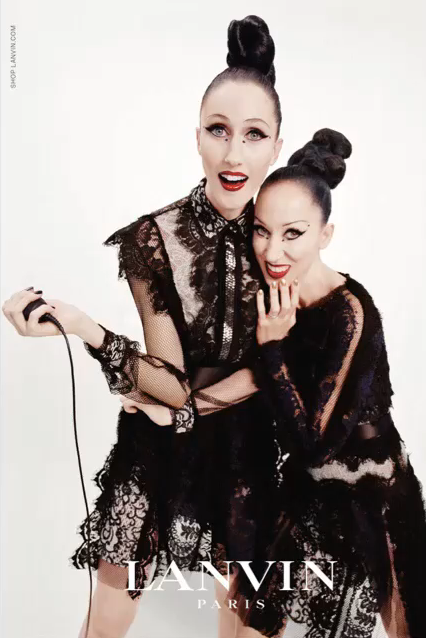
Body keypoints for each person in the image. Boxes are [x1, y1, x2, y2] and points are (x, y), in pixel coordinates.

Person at [2, 15, 288, 638]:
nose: (233, 154)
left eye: (254, 135)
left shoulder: (288, 240)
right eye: (218, 130)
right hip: (156, 452)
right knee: (106, 623)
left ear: (275, 146)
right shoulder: (153, 240)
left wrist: (186, 407)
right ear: (197, 136)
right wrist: (83, 326)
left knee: (247, 626)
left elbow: (279, 369)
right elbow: (170, 384)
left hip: (246, 451)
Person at [125, 128, 426, 638]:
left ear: (325, 234)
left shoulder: (351, 312)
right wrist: (175, 409)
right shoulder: (274, 299)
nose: (272, 250)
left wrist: (271, 346)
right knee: (253, 627)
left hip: (370, 497)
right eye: (262, 231)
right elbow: (249, 383)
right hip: (306, 494)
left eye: (293, 233)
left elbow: (314, 441)